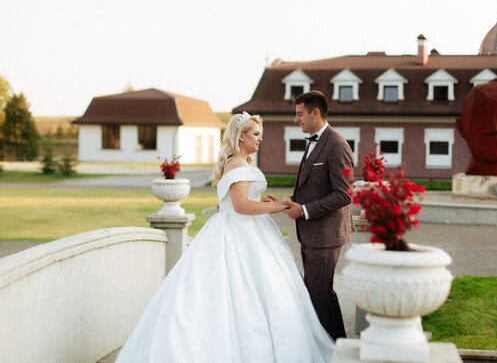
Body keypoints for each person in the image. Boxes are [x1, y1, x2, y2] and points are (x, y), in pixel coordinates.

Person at [115, 112, 334, 363]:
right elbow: (240, 206)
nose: (260, 139)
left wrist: (260, 202)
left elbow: (226, 205)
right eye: (256, 134)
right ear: (241, 136)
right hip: (240, 231)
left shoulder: (239, 162)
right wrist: (278, 207)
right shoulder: (238, 164)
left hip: (243, 229)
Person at [283, 90, 355, 341]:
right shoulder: (314, 141)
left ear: (315, 113)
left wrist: (303, 210)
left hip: (326, 234)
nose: (296, 120)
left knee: (317, 293)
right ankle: (338, 347)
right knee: (322, 292)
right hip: (312, 233)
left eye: (299, 114)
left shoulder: (336, 144)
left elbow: (344, 194)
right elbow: (313, 187)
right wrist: (292, 203)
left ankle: (325, 350)